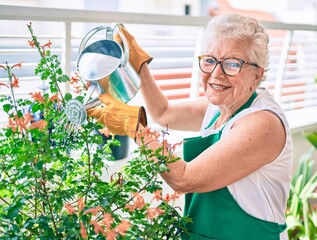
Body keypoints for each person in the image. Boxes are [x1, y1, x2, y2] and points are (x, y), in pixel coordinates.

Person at [87, 13, 293, 240]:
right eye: (209, 60)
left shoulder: (263, 124)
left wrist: (133, 127)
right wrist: (138, 63)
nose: (216, 73)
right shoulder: (219, 107)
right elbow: (163, 114)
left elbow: (184, 178)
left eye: (232, 64)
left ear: (257, 74)